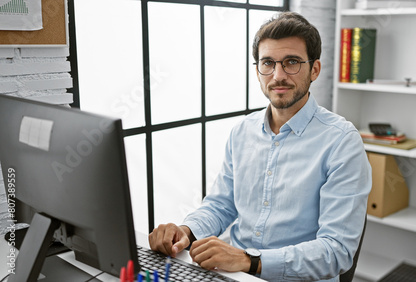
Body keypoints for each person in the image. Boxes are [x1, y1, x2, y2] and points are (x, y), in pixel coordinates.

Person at [149, 11, 371, 282]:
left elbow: (337, 251)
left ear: (314, 69)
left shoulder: (342, 142)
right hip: (234, 274)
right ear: (257, 70)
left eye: (291, 62)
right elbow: (221, 205)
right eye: (268, 63)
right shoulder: (242, 132)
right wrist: (186, 231)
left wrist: (250, 261)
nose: (278, 75)